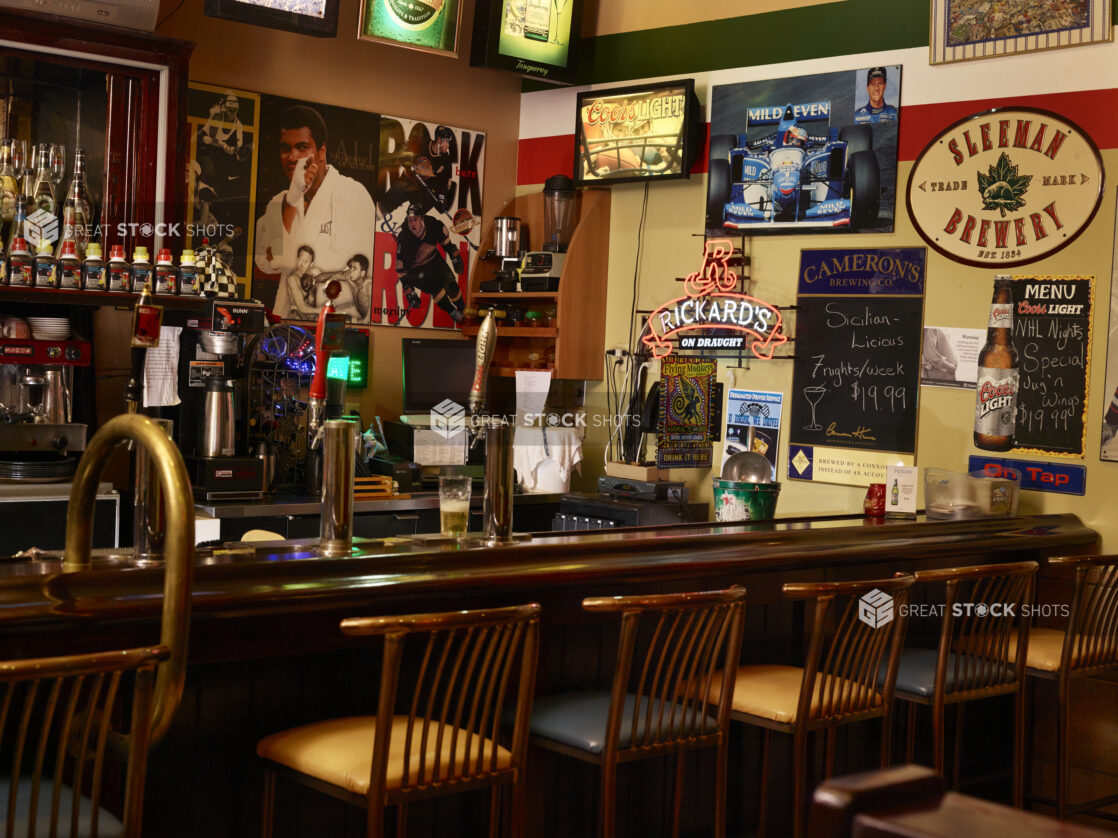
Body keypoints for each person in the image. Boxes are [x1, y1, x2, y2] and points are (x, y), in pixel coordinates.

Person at [254, 104, 376, 322]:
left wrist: (288, 256)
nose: (292, 157)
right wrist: (292, 198)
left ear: (322, 151)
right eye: (285, 148)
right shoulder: (281, 201)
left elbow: (349, 268)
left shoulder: (353, 194)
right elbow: (264, 260)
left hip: (337, 328)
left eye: (302, 147)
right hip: (285, 326)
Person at [394, 203, 465, 323]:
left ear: (422, 218)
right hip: (416, 270)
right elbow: (401, 270)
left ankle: (462, 307)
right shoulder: (404, 237)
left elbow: (447, 245)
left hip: (434, 260)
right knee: (437, 290)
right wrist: (409, 291)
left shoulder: (433, 224)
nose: (412, 224)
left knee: (451, 284)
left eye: (415, 219)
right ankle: (452, 312)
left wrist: (455, 257)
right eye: (409, 220)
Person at [378, 125, 457, 219]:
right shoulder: (422, 143)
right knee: (385, 204)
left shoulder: (446, 159)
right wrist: (408, 164)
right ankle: (376, 215)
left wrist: (441, 198)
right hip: (408, 181)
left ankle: (405, 229)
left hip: (423, 192)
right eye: (447, 142)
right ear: (439, 140)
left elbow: (446, 183)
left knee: (415, 216)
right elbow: (403, 153)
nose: (448, 145)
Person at [313, 253, 371, 321]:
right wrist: (313, 280)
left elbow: (371, 318)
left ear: (362, 273)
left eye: (354, 268)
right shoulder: (349, 276)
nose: (350, 270)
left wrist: (352, 320)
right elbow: (333, 276)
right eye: (351, 267)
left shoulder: (369, 287)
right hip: (359, 315)